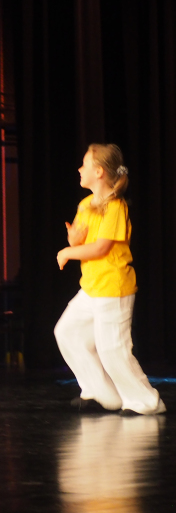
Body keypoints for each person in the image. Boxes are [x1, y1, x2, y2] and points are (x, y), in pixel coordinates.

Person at [55, 143, 165, 415]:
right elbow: (83, 240)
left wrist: (68, 251)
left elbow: (102, 247)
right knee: (67, 332)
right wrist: (73, 240)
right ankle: (101, 392)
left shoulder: (115, 207)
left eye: (85, 165)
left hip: (113, 287)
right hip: (92, 287)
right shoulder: (85, 204)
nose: (79, 169)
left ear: (99, 172)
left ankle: (146, 401)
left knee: (113, 349)